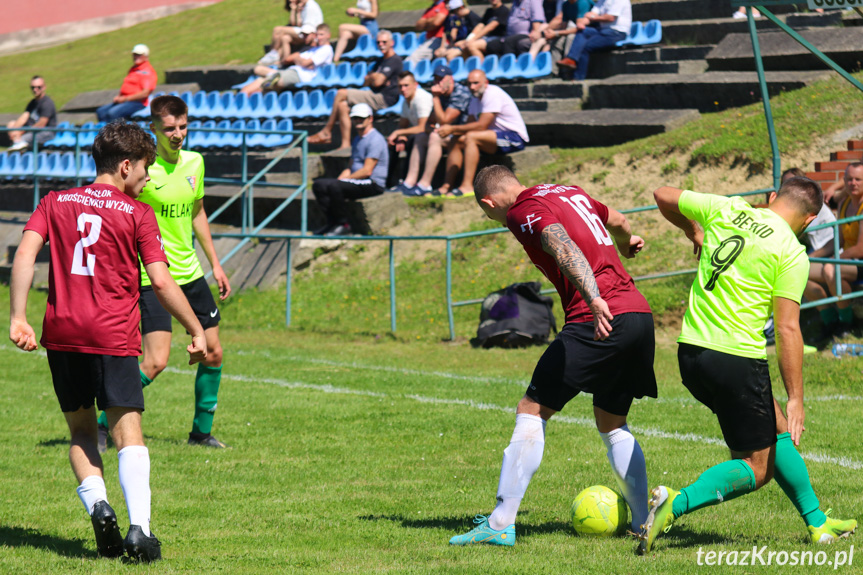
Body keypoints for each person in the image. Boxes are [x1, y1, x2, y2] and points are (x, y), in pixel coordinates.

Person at [9, 120, 207, 563]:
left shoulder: (54, 201)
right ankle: (140, 531)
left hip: (62, 334)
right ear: (124, 165)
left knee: (81, 430)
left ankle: (99, 506)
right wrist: (195, 328)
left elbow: (25, 254)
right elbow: (161, 280)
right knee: (126, 428)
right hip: (113, 333)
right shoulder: (138, 213)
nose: (147, 178)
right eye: (144, 169)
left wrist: (18, 317)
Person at [639, 179, 858, 554]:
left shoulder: (728, 207)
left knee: (776, 430)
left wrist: (695, 229)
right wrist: (796, 398)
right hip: (736, 360)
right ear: (808, 222)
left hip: (690, 353)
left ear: (771, 198)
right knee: (758, 467)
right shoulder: (791, 252)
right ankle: (672, 506)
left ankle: (817, 523)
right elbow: (788, 328)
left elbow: (661, 193)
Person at [450, 165, 656, 546]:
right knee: (612, 422)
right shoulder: (568, 192)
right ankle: (643, 522)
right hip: (638, 314)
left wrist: (593, 297)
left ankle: (499, 524)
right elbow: (621, 220)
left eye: (488, 212)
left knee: (532, 408)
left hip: (599, 315)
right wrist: (628, 242)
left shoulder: (518, 211)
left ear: (488, 202)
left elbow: (560, 244)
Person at [96, 96, 232, 451]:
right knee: (155, 362)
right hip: (150, 277)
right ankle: (100, 423)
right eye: (169, 128)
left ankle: (201, 432)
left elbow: (197, 212)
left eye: (183, 126)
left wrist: (214, 263)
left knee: (214, 353)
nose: (177, 134)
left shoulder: (195, 163)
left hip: (190, 273)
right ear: (154, 128)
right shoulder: (141, 170)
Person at [436, 69, 529, 198]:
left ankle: (467, 186)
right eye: (469, 84)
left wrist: (451, 129)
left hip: (513, 137)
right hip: (492, 137)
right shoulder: (474, 99)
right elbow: (468, 125)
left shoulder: (492, 93)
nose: (472, 87)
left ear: (486, 82)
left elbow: (481, 126)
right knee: (456, 139)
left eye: (475, 83)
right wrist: (454, 133)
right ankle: (446, 186)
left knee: (470, 137)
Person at [308, 30, 402, 149]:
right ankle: (345, 145)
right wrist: (374, 78)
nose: (381, 44)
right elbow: (365, 82)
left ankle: (327, 130)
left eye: (384, 42)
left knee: (341, 93)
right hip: (373, 94)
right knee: (342, 106)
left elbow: (376, 82)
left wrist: (372, 77)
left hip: (384, 98)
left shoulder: (395, 60)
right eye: (378, 42)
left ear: (392, 43)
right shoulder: (379, 61)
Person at [393, 64, 473, 196]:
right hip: (449, 135)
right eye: (435, 79)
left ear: (450, 79)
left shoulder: (460, 92)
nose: (437, 82)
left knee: (434, 137)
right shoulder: (441, 94)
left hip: (462, 135)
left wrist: (435, 97)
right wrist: (432, 129)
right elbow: (429, 123)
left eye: (440, 79)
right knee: (421, 136)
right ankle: (409, 182)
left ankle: (425, 185)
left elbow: (445, 120)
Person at [312, 103, 389, 236]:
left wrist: (343, 181)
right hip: (357, 180)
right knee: (319, 185)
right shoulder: (357, 140)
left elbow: (367, 171)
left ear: (370, 119)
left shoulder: (375, 139)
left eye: (361, 118)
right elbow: (350, 166)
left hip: (372, 183)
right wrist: (341, 179)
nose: (358, 120)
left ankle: (344, 225)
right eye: (355, 118)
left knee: (335, 187)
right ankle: (332, 223)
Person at [822, 162, 863, 337]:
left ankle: (847, 322)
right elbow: (837, 241)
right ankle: (829, 322)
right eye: (849, 179)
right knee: (803, 269)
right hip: (846, 260)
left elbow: (860, 249)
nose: (853, 183)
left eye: (858, 179)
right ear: (844, 182)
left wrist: (834, 259)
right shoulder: (844, 204)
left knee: (831, 270)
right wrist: (810, 257)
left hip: (858, 262)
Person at [242, 24, 333, 95]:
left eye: (321, 35)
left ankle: (269, 81)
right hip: (292, 70)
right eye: (318, 35)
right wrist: (299, 60)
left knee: (257, 87)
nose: (319, 37)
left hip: (301, 75)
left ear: (328, 35)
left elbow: (305, 63)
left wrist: (298, 60)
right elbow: (289, 59)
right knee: (257, 74)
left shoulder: (326, 49)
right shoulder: (312, 49)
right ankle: (268, 82)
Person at [557, 0, 631, 80]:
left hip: (617, 33)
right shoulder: (602, 1)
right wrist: (581, 24)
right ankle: (571, 59)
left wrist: (592, 17)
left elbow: (610, 18)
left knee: (586, 46)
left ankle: (578, 78)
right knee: (583, 31)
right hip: (602, 30)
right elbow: (591, 15)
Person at [387, 71, 433, 190]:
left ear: (415, 84)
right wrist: (401, 136)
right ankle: (389, 181)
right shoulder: (406, 101)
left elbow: (423, 127)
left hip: (429, 135)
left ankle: (407, 182)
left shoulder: (421, 98)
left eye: (406, 85)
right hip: (418, 134)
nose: (403, 89)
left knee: (411, 140)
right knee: (394, 142)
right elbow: (403, 125)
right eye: (400, 86)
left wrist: (399, 133)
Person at [465, 0, 545, 61]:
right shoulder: (515, 3)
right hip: (509, 36)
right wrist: (469, 39)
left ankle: (507, 67)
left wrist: (535, 31)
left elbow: (537, 18)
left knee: (509, 41)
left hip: (525, 34)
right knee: (493, 45)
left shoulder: (533, 1)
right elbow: (481, 25)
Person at [96, 45, 158, 122]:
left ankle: (117, 133)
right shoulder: (133, 69)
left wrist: (125, 99)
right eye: (134, 54)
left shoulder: (147, 72)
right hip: (125, 100)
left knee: (113, 113)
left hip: (138, 103)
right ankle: (104, 132)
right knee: (101, 111)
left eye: (138, 55)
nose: (135, 57)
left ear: (145, 56)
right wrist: (119, 97)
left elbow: (145, 93)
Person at [261, 0, 325, 65]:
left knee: (277, 30)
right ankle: (283, 61)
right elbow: (295, 23)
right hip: (304, 30)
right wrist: (295, 11)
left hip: (309, 32)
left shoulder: (310, 6)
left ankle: (273, 53)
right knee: (285, 38)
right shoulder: (304, 6)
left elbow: (308, 27)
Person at [445, 0, 510, 61]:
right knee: (465, 46)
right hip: (486, 38)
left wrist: (471, 40)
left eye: (456, 10)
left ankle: (481, 69)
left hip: (499, 38)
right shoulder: (489, 11)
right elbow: (480, 26)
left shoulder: (503, 10)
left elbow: (490, 27)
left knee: (471, 46)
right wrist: (468, 40)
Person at [6, 76, 57, 152]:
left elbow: (42, 124)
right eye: (33, 87)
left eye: (38, 87)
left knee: (25, 137)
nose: (35, 90)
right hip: (31, 130)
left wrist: (21, 132)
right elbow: (24, 117)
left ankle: (18, 146)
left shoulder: (47, 103)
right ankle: (17, 144)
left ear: (44, 87)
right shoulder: (32, 103)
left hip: (45, 132)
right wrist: (14, 130)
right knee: (11, 124)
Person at [530, 0, 594, 60]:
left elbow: (580, 27)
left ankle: (568, 66)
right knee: (557, 40)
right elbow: (563, 26)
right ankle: (553, 70)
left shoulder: (583, 3)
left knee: (570, 38)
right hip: (576, 30)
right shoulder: (565, 4)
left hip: (589, 31)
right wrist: (553, 34)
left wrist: (556, 33)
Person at [405, 0, 449, 64]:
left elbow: (435, 23)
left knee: (413, 59)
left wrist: (426, 22)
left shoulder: (445, 5)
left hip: (439, 39)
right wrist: (432, 20)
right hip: (428, 39)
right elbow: (418, 25)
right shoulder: (431, 8)